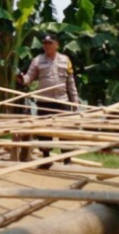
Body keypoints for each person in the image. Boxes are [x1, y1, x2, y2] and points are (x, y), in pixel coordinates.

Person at [17, 34, 79, 166]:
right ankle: (46, 158)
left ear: (57, 44)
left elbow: (70, 82)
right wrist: (22, 79)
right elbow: (29, 77)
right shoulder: (37, 60)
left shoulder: (65, 60)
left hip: (62, 101)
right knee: (44, 131)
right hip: (44, 101)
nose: (47, 46)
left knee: (65, 130)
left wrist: (75, 101)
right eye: (45, 43)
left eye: (50, 43)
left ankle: (67, 159)